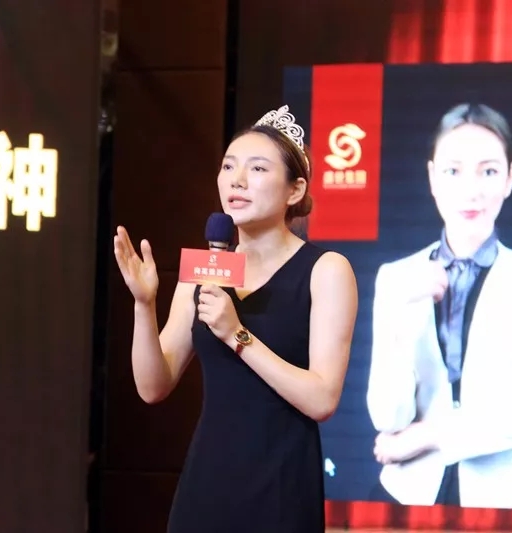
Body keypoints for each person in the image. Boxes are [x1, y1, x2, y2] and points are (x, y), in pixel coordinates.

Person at [113, 105, 358, 532]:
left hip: (281, 483)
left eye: (257, 168)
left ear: (295, 190)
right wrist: (143, 305)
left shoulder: (326, 270)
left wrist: (237, 335)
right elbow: (153, 386)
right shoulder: (204, 269)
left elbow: (322, 399)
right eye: (228, 166)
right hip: (207, 481)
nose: (236, 180)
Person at [367, 103, 512, 509]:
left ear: (510, 178)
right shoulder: (396, 278)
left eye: (488, 171)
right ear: (432, 177)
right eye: (453, 171)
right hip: (406, 492)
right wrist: (401, 317)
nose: (471, 191)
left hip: (509, 497)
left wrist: (426, 435)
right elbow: (387, 418)